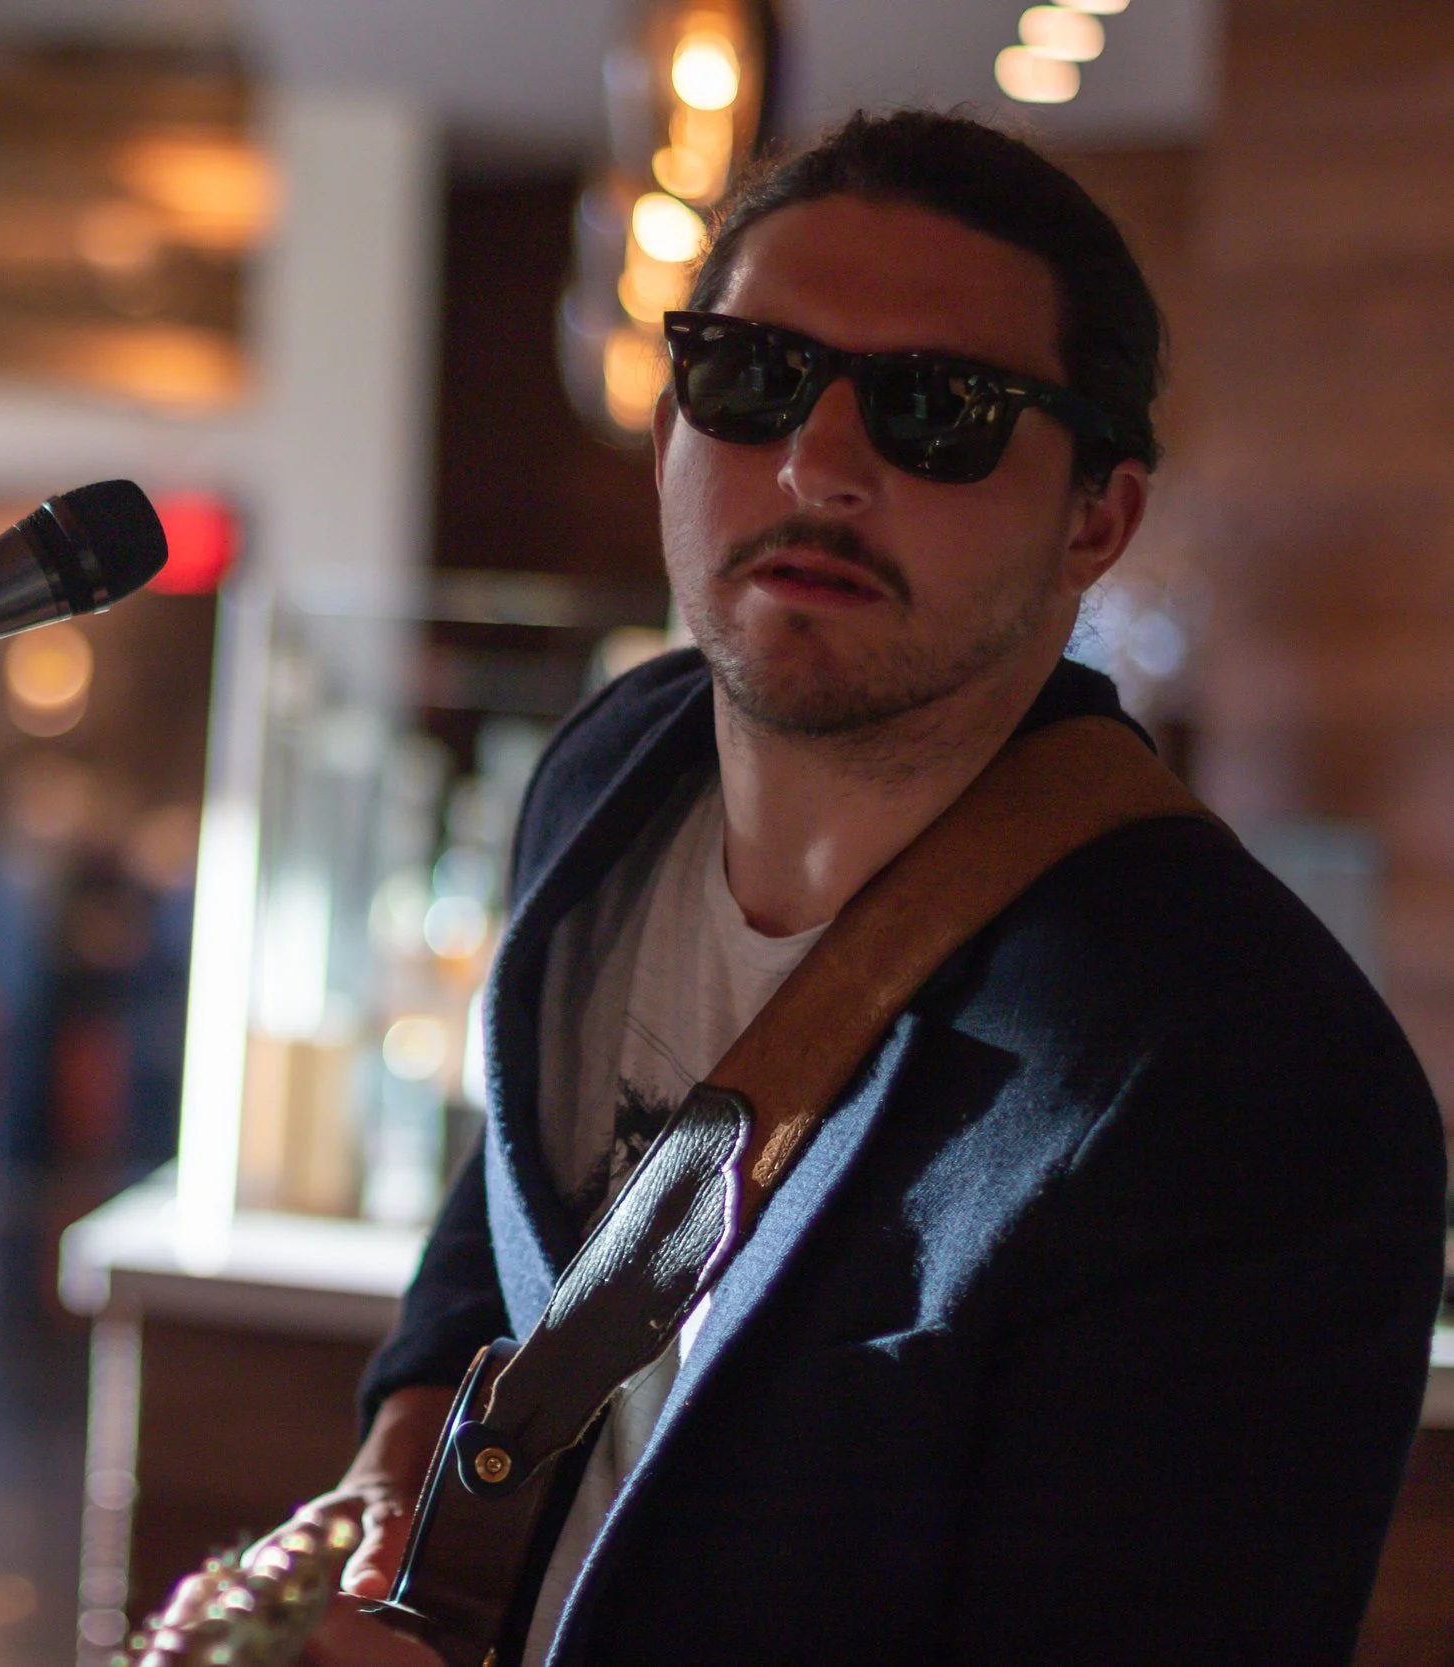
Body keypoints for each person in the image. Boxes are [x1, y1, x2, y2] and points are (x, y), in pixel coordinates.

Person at [294, 111, 1447, 1666]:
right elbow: (527, 1187)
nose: (820, 462)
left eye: (940, 411)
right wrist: (404, 1453)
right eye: (753, 376)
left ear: (1096, 516)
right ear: (666, 436)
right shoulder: (604, 781)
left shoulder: (1249, 1078)